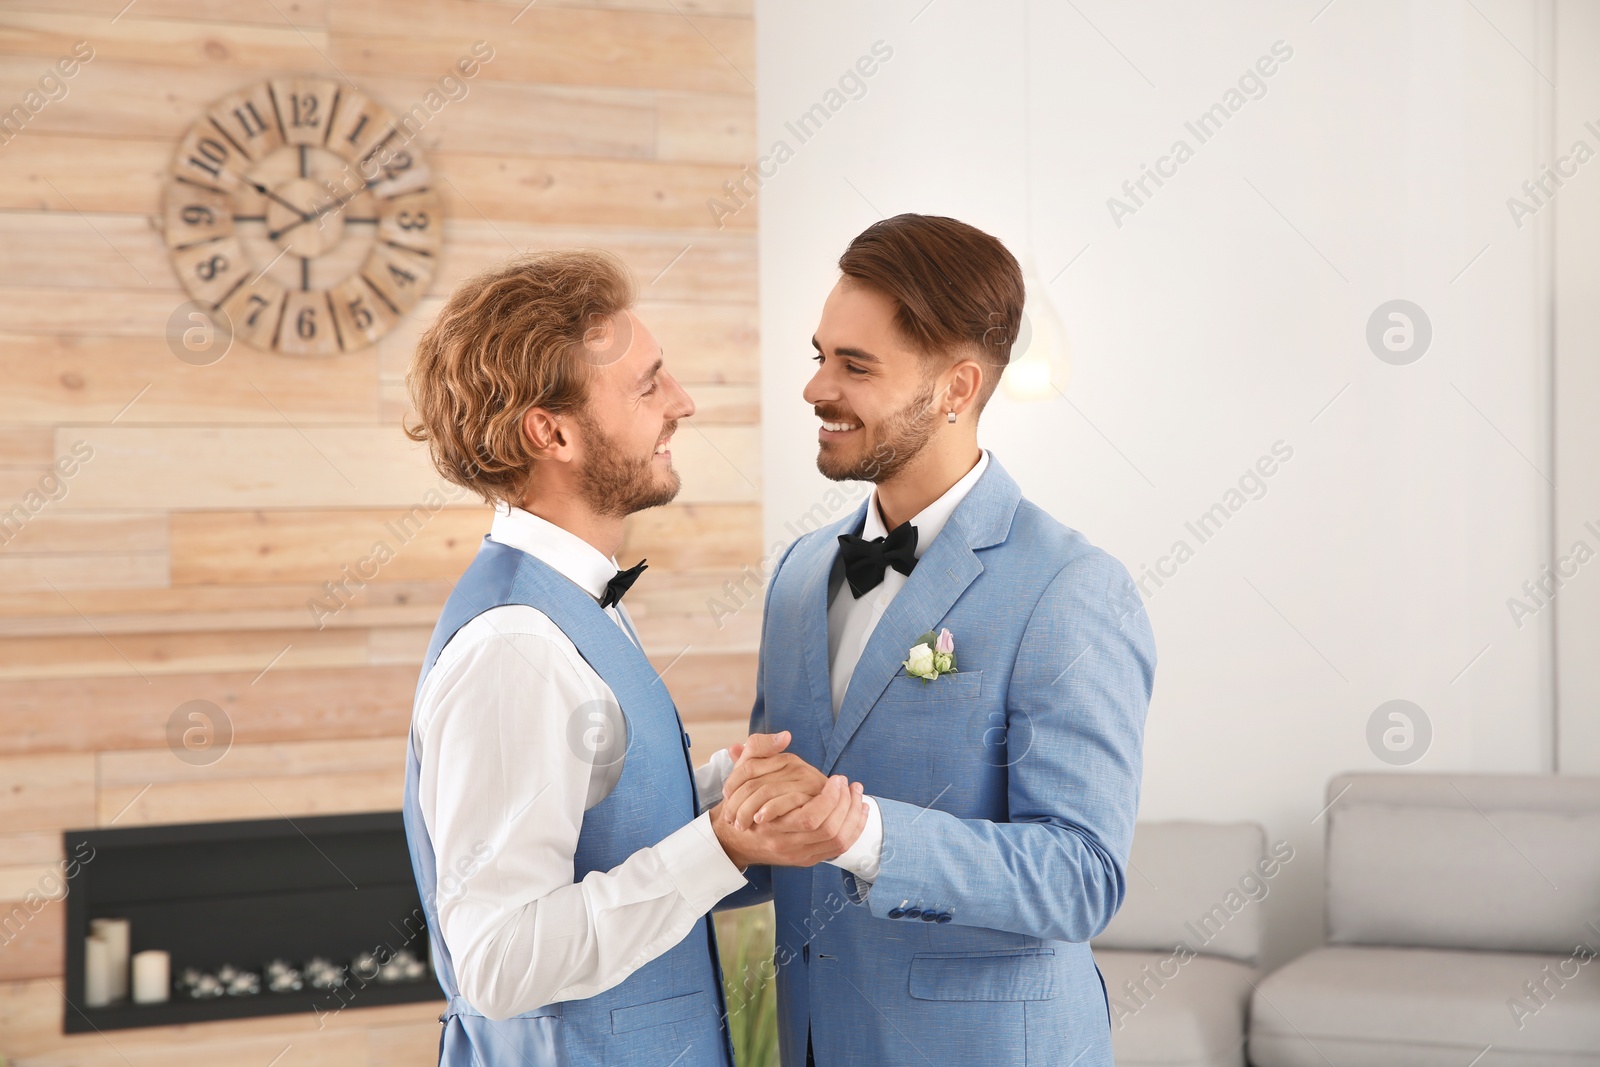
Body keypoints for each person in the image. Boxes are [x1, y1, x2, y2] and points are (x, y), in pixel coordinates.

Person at [400, 250, 869, 1067]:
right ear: (552, 431)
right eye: (649, 384)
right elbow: (498, 958)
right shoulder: (517, 649)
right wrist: (719, 845)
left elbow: (595, 822)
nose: (682, 402)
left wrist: (727, 794)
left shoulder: (573, 602)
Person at [718, 214, 1157, 1066]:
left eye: (855, 366)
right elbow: (776, 833)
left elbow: (1082, 876)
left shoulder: (1072, 588)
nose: (815, 389)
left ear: (956, 389)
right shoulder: (800, 576)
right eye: (820, 356)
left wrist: (865, 834)